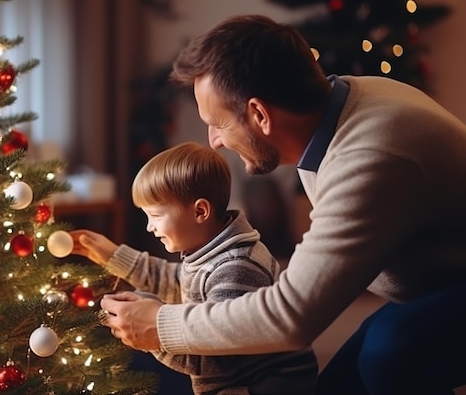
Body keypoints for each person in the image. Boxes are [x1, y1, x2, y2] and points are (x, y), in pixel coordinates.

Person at [98, 14, 466, 395]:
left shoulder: (370, 156)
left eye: (219, 124)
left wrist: (161, 325)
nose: (214, 142)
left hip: (455, 285)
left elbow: (291, 318)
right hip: (435, 285)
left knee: (390, 353)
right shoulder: (342, 108)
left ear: (259, 114)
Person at [71, 141, 318, 395]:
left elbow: (215, 360)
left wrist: (151, 335)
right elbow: (174, 280)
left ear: (200, 211)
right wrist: (113, 255)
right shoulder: (210, 249)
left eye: (155, 216)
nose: (149, 227)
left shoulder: (235, 268)